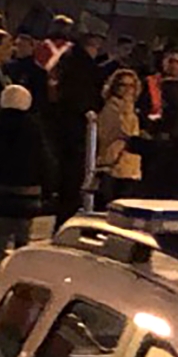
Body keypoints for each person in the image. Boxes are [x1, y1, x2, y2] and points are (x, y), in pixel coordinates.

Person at [0, 85, 57, 262]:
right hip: (27, 190)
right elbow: (44, 159)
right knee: (23, 232)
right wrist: (48, 186)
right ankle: (20, 266)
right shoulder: (34, 128)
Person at [52, 31, 105, 227]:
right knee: (74, 181)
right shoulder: (82, 67)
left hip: (69, 128)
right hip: (77, 132)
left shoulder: (70, 62)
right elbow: (82, 94)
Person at [97, 69, 143, 203]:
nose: (128, 90)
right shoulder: (112, 108)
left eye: (131, 85)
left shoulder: (131, 108)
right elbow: (126, 132)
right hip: (115, 166)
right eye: (123, 85)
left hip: (131, 167)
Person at [138, 48, 178, 137]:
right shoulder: (150, 83)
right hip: (153, 133)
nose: (173, 65)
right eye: (170, 61)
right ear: (163, 62)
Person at [7, 32, 49, 113]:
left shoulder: (38, 72)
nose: (20, 49)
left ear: (32, 47)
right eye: (17, 45)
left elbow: (40, 98)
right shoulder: (7, 67)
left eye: (23, 46)